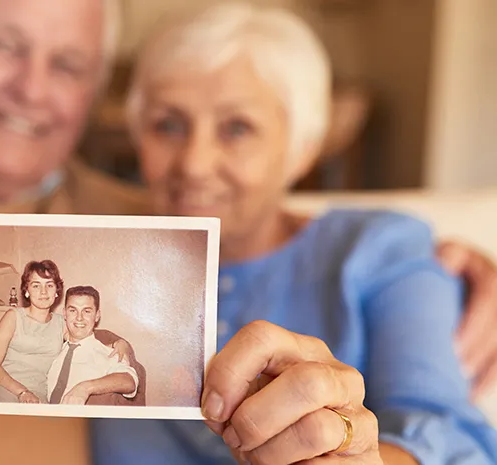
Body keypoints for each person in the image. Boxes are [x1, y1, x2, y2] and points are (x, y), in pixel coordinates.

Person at [0, 0, 497, 463]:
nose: (33, 90)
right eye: (7, 45)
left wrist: (452, 262)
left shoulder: (132, 217)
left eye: (69, 65)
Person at [88, 3, 497, 464]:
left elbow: (457, 439)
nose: (195, 164)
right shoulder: (101, 253)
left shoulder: (381, 249)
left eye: (237, 128)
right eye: (168, 125)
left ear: (302, 148)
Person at [0, 260, 67, 403]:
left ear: (57, 291)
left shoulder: (62, 323)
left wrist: (114, 345)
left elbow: (87, 341)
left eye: (49, 285)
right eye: (36, 285)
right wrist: (22, 391)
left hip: (38, 392)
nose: (43, 292)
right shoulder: (13, 317)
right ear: (26, 291)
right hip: (1, 385)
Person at [47, 286, 138, 405]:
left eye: (87, 311)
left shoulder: (109, 353)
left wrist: (85, 388)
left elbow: (129, 381)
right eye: (73, 310)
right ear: (64, 314)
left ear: (97, 316)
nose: (79, 318)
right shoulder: (53, 348)